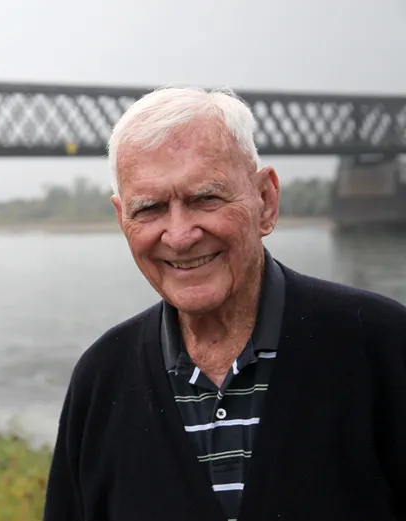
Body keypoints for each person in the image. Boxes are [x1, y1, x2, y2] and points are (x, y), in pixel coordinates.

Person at [42, 86, 406, 521]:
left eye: (206, 199)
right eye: (150, 208)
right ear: (123, 218)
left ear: (266, 201)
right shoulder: (101, 378)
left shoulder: (384, 345)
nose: (179, 236)